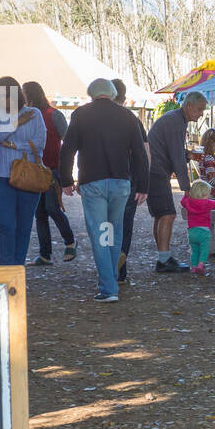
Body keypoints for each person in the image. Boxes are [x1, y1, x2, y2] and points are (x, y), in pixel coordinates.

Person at [59, 78, 150, 301]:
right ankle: (110, 280)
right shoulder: (128, 116)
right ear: (112, 93)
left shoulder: (81, 115)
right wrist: (143, 186)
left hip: (93, 182)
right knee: (112, 231)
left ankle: (108, 287)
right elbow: (140, 154)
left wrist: (65, 180)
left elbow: (68, 150)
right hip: (120, 183)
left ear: (91, 94)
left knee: (101, 234)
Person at [0, 76, 47, 266]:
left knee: (24, 226)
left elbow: (40, 142)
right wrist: (16, 122)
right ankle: (8, 268)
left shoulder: (34, 113)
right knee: (6, 225)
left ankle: (18, 268)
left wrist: (12, 144)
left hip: (29, 177)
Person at [146, 92, 206, 273]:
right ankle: (163, 260)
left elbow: (176, 152)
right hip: (156, 171)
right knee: (168, 214)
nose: (201, 113)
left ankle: (163, 257)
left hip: (154, 171)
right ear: (188, 106)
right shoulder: (175, 121)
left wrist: (185, 155)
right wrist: (186, 187)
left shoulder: (175, 119)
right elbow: (176, 156)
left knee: (161, 214)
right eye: (200, 109)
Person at [24, 80, 76, 265]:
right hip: (34, 170)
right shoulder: (26, 116)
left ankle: (70, 241)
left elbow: (67, 142)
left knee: (53, 208)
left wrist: (66, 171)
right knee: (40, 213)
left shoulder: (54, 115)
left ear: (29, 95)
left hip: (53, 169)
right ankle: (45, 254)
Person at [114, 79, 149, 283]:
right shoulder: (132, 119)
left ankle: (108, 265)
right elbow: (145, 153)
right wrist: (144, 182)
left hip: (103, 180)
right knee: (124, 225)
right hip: (130, 180)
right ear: (125, 98)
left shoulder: (94, 117)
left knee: (107, 224)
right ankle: (120, 270)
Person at [180, 179, 215, 277]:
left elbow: (182, 202)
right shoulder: (208, 203)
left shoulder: (188, 202)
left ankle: (194, 267)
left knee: (194, 250)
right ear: (205, 194)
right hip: (204, 231)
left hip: (192, 231)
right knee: (204, 249)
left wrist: (185, 195)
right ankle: (201, 264)